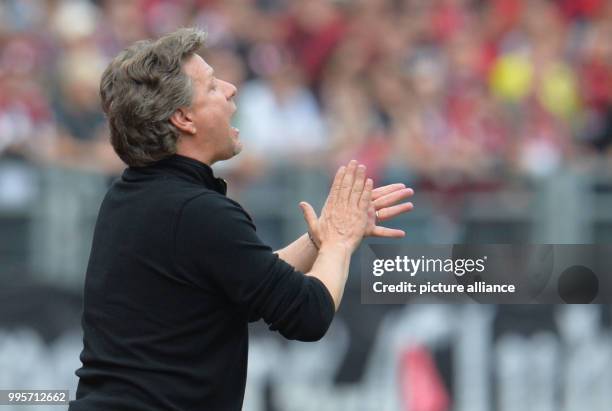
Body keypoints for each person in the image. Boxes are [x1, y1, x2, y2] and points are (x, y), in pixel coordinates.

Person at [68, 28, 414, 411]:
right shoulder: (197, 212)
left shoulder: (133, 196)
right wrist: (340, 242)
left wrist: (324, 236)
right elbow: (308, 313)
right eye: (213, 86)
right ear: (183, 118)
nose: (231, 89)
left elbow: (248, 284)